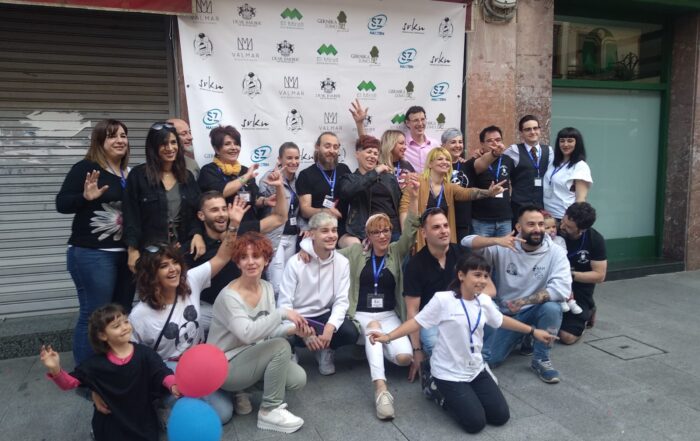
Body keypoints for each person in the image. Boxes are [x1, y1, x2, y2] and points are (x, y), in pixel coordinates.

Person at [369, 254, 556, 434]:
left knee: (500, 416)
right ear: (461, 275)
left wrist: (533, 331)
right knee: (475, 423)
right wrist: (388, 337)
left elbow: (501, 320)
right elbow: (416, 322)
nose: (482, 280)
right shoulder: (443, 300)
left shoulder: (484, 301)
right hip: (448, 372)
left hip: (475, 368)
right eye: (477, 274)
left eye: (485, 276)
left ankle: (466, 393)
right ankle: (434, 387)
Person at [207, 232, 309, 434]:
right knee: (281, 347)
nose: (251, 262)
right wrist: (281, 313)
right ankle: (269, 410)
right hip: (225, 364)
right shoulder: (229, 296)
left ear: (266, 260)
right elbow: (248, 334)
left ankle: (243, 389)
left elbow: (268, 332)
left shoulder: (267, 287)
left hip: (252, 356)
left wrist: (294, 330)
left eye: (256, 256)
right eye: (244, 257)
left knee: (298, 378)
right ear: (237, 263)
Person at [337, 175, 420, 420]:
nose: (382, 235)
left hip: (389, 315)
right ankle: (381, 390)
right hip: (362, 315)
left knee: (403, 358)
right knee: (374, 330)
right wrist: (308, 249)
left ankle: (373, 350)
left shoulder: (396, 252)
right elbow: (328, 254)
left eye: (386, 230)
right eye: (376, 232)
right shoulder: (356, 252)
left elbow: (411, 230)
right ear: (368, 235)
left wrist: (414, 197)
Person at [128, 236, 236, 423]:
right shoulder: (139, 315)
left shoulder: (190, 280)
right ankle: (162, 403)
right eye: (164, 266)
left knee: (224, 413)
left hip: (199, 361)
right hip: (169, 370)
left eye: (175, 262)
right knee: (199, 415)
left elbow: (222, 257)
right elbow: (129, 358)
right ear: (151, 275)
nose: (173, 269)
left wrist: (233, 225)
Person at [461, 206, 571, 384]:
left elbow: (561, 289)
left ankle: (541, 359)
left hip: (533, 309)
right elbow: (466, 242)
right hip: (507, 315)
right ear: (519, 227)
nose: (537, 229)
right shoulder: (504, 246)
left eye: (541, 224)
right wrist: (496, 240)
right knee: (491, 359)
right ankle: (524, 335)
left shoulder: (556, 252)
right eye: (531, 224)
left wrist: (523, 302)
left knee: (553, 308)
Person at [56, 119, 134, 365]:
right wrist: (84, 197)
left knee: (119, 315)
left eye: (123, 135)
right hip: (93, 254)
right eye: (112, 136)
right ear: (100, 142)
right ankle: (86, 374)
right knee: (95, 315)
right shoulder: (87, 168)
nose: (120, 140)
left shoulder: (128, 173)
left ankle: (111, 367)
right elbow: (61, 203)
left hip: (125, 254)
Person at [40, 304, 179, 441]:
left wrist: (173, 385)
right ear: (102, 335)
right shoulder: (95, 364)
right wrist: (55, 368)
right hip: (111, 427)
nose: (125, 327)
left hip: (143, 424)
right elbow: (69, 383)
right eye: (116, 326)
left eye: (126, 321)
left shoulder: (145, 353)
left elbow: (162, 372)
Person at [186, 169, 288, 328]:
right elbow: (222, 256)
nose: (221, 214)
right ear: (201, 215)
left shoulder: (241, 228)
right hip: (209, 311)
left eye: (223, 209)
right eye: (214, 210)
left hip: (244, 307)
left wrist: (279, 187)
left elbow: (279, 218)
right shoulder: (194, 245)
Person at [403, 208, 496, 381]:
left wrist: (463, 303)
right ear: (424, 233)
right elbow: (412, 311)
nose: (443, 231)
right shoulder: (415, 265)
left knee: (491, 310)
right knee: (434, 344)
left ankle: (481, 362)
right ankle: (449, 372)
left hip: (464, 310)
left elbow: (490, 290)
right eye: (436, 227)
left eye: (446, 225)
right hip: (433, 319)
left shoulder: (463, 253)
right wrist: (417, 350)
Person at [278, 212, 358, 375]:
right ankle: (290, 350)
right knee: (283, 331)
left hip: (322, 316)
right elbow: (284, 304)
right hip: (298, 316)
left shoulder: (342, 263)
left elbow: (341, 300)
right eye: (325, 231)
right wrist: (304, 333)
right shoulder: (295, 262)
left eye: (334, 230)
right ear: (312, 234)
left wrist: (330, 327)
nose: (331, 235)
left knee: (350, 332)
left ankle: (325, 349)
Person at [123, 121, 204, 273]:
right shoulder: (138, 176)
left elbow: (196, 210)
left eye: (173, 142)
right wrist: (132, 250)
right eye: (163, 144)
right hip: (150, 253)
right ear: (153, 147)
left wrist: (197, 234)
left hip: (182, 251)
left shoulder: (187, 176)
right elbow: (131, 215)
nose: (170, 148)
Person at [399, 147, 504, 251]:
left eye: (447, 159)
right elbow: (404, 208)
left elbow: (468, 193)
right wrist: (407, 236)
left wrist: (489, 192)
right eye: (440, 159)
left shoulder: (449, 187)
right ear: (430, 164)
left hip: (441, 238)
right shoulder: (417, 182)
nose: (445, 162)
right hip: (422, 237)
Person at [337, 135, 402, 246]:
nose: (372, 156)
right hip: (365, 232)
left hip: (392, 230)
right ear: (357, 154)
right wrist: (375, 172)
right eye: (369, 152)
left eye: (375, 154)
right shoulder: (350, 179)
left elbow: (399, 204)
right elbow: (347, 192)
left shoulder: (389, 178)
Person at [558, 202, 607, 344]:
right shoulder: (554, 229)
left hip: (579, 288)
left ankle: (588, 311)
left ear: (582, 229)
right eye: (563, 221)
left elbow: (599, 276)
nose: (562, 227)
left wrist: (570, 275)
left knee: (567, 337)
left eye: (569, 227)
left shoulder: (595, 239)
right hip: (554, 285)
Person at [198, 125, 268, 223]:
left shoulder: (244, 170)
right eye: (227, 144)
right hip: (225, 227)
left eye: (236, 144)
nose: (234, 148)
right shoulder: (209, 170)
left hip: (249, 225)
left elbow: (255, 199)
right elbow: (221, 193)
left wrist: (265, 201)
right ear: (216, 149)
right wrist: (246, 177)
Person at [258, 142, 302, 294]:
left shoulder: (298, 180)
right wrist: (275, 184)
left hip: (292, 236)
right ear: (279, 159)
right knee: (276, 286)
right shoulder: (269, 177)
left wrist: (305, 227)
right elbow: (261, 205)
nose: (294, 162)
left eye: (297, 158)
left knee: (288, 283)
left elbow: (298, 211)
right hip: (275, 236)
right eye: (289, 158)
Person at [296, 131, 351, 240]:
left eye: (335, 147)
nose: (332, 150)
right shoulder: (306, 175)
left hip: (342, 229)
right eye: (327, 146)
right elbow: (305, 210)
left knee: (355, 245)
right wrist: (326, 212)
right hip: (317, 229)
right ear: (317, 147)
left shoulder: (344, 169)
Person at [467, 125, 516, 237]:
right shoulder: (476, 161)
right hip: (481, 220)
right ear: (482, 144)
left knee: (505, 248)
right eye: (490, 141)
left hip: (504, 219)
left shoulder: (508, 160)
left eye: (498, 140)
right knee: (481, 248)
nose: (495, 144)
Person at [506, 115, 554, 224]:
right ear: (521, 133)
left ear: (540, 130)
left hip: (542, 207)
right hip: (519, 207)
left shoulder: (549, 151)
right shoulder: (513, 150)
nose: (532, 132)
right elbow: (498, 162)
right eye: (528, 129)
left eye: (535, 128)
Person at [543, 127, 593, 220]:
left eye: (570, 141)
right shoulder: (553, 162)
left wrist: (571, 220)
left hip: (564, 218)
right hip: (547, 216)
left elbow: (580, 200)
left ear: (577, 143)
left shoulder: (580, 166)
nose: (565, 144)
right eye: (562, 141)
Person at [542, 211, 582, 315]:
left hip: (560, 266)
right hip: (548, 268)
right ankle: (561, 300)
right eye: (547, 228)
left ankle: (571, 301)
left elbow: (563, 253)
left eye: (553, 227)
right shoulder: (541, 242)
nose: (552, 230)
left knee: (566, 283)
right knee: (552, 284)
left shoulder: (560, 240)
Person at [442, 128, 473, 241]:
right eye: (453, 142)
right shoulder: (438, 166)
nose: (458, 145)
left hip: (463, 222)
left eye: (460, 142)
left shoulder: (467, 165)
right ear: (443, 145)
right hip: (443, 220)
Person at [403, 106, 440, 173]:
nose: (420, 124)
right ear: (407, 123)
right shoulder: (402, 145)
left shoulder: (435, 144)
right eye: (416, 120)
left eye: (422, 119)